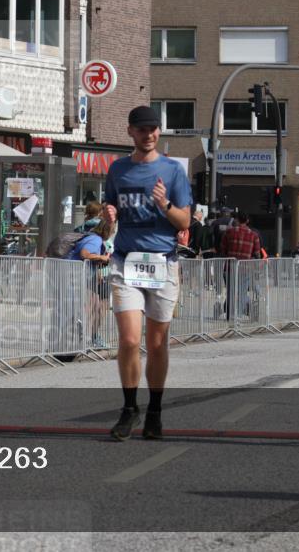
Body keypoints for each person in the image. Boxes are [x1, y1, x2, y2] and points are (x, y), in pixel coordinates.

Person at [102, 105, 192, 441]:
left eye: (154, 129)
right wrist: (109, 214)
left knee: (156, 345)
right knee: (128, 340)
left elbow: (184, 222)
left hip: (162, 263)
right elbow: (108, 214)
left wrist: (164, 204)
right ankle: (129, 409)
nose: (149, 135)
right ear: (131, 132)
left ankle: (154, 410)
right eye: (142, 130)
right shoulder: (118, 170)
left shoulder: (172, 172)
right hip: (126, 261)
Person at [67, 219, 114, 348]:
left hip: (89, 277)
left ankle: (90, 338)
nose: (113, 233)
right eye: (112, 231)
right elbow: (85, 254)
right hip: (80, 277)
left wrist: (97, 270)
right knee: (90, 308)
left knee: (98, 308)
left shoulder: (94, 238)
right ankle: (85, 339)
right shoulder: (95, 240)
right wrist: (103, 258)